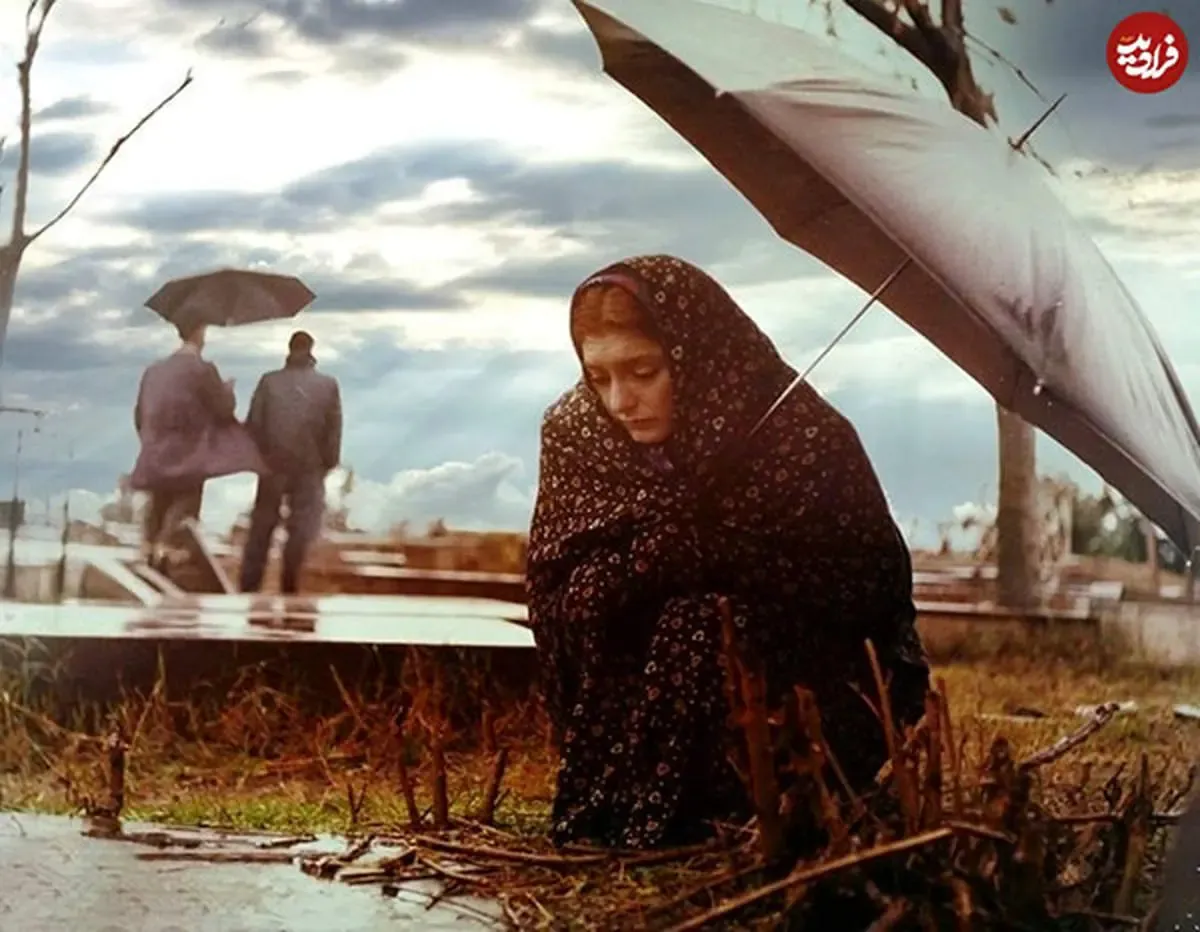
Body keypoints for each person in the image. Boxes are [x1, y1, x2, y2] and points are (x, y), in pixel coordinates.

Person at [527, 255, 930, 850]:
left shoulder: (799, 435)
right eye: (599, 377)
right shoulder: (577, 434)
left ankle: (746, 807)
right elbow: (555, 594)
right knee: (652, 613)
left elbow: (868, 585)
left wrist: (719, 554)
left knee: (705, 621)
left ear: (696, 358)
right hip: (623, 706)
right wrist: (647, 561)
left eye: (642, 371)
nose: (619, 400)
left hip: (800, 700)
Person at [131, 318, 265, 572]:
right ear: (200, 333)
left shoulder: (154, 370)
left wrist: (152, 441)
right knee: (182, 514)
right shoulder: (203, 370)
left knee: (157, 508)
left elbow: (139, 414)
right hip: (189, 457)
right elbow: (223, 411)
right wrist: (228, 390)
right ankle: (168, 559)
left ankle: (148, 557)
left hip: (157, 455)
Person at [239, 330, 342, 595]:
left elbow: (253, 425)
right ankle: (289, 586)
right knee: (300, 531)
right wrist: (325, 465)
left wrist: (260, 458)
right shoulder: (327, 385)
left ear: (289, 349)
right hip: (309, 465)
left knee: (261, 528)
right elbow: (333, 432)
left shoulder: (269, 382)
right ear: (311, 350)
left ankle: (249, 587)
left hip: (272, 464)